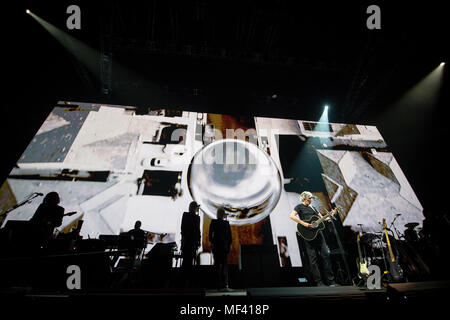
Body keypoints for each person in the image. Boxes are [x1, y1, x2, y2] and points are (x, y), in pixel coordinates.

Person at [289, 191, 337, 286]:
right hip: (308, 235)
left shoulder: (313, 208)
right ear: (305, 198)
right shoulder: (299, 207)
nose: (311, 199)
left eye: (311, 198)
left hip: (318, 234)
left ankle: (331, 281)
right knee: (313, 258)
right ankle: (319, 282)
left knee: (325, 255)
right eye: (310, 198)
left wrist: (331, 215)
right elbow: (292, 216)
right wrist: (305, 224)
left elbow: (323, 218)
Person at [209, 208, 232, 289]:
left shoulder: (215, 222)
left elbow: (210, 234)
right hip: (223, 247)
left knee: (218, 265)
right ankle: (223, 283)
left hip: (219, 246)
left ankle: (219, 283)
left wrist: (212, 242)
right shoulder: (225, 223)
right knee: (223, 265)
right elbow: (229, 236)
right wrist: (229, 244)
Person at [180, 201, 201, 285]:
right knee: (187, 260)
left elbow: (198, 230)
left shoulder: (195, 217)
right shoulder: (188, 215)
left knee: (188, 259)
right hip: (189, 240)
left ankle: (186, 279)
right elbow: (183, 228)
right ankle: (185, 279)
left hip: (191, 241)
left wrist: (198, 240)